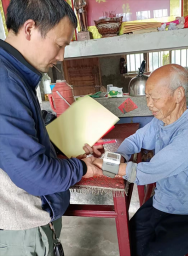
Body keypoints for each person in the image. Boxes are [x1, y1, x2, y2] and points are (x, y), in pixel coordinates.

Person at [0, 0, 102, 255]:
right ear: (30, 28)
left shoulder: (14, 75)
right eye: (59, 45)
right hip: (20, 230)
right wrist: (81, 168)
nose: (60, 58)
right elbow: (33, 174)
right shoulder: (5, 82)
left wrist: (60, 145)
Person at [94, 64, 188, 256]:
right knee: (129, 244)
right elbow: (135, 139)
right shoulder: (161, 121)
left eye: (155, 98)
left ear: (178, 95)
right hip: (162, 201)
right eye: (147, 98)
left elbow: (146, 172)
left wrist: (105, 166)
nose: (150, 104)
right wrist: (116, 158)